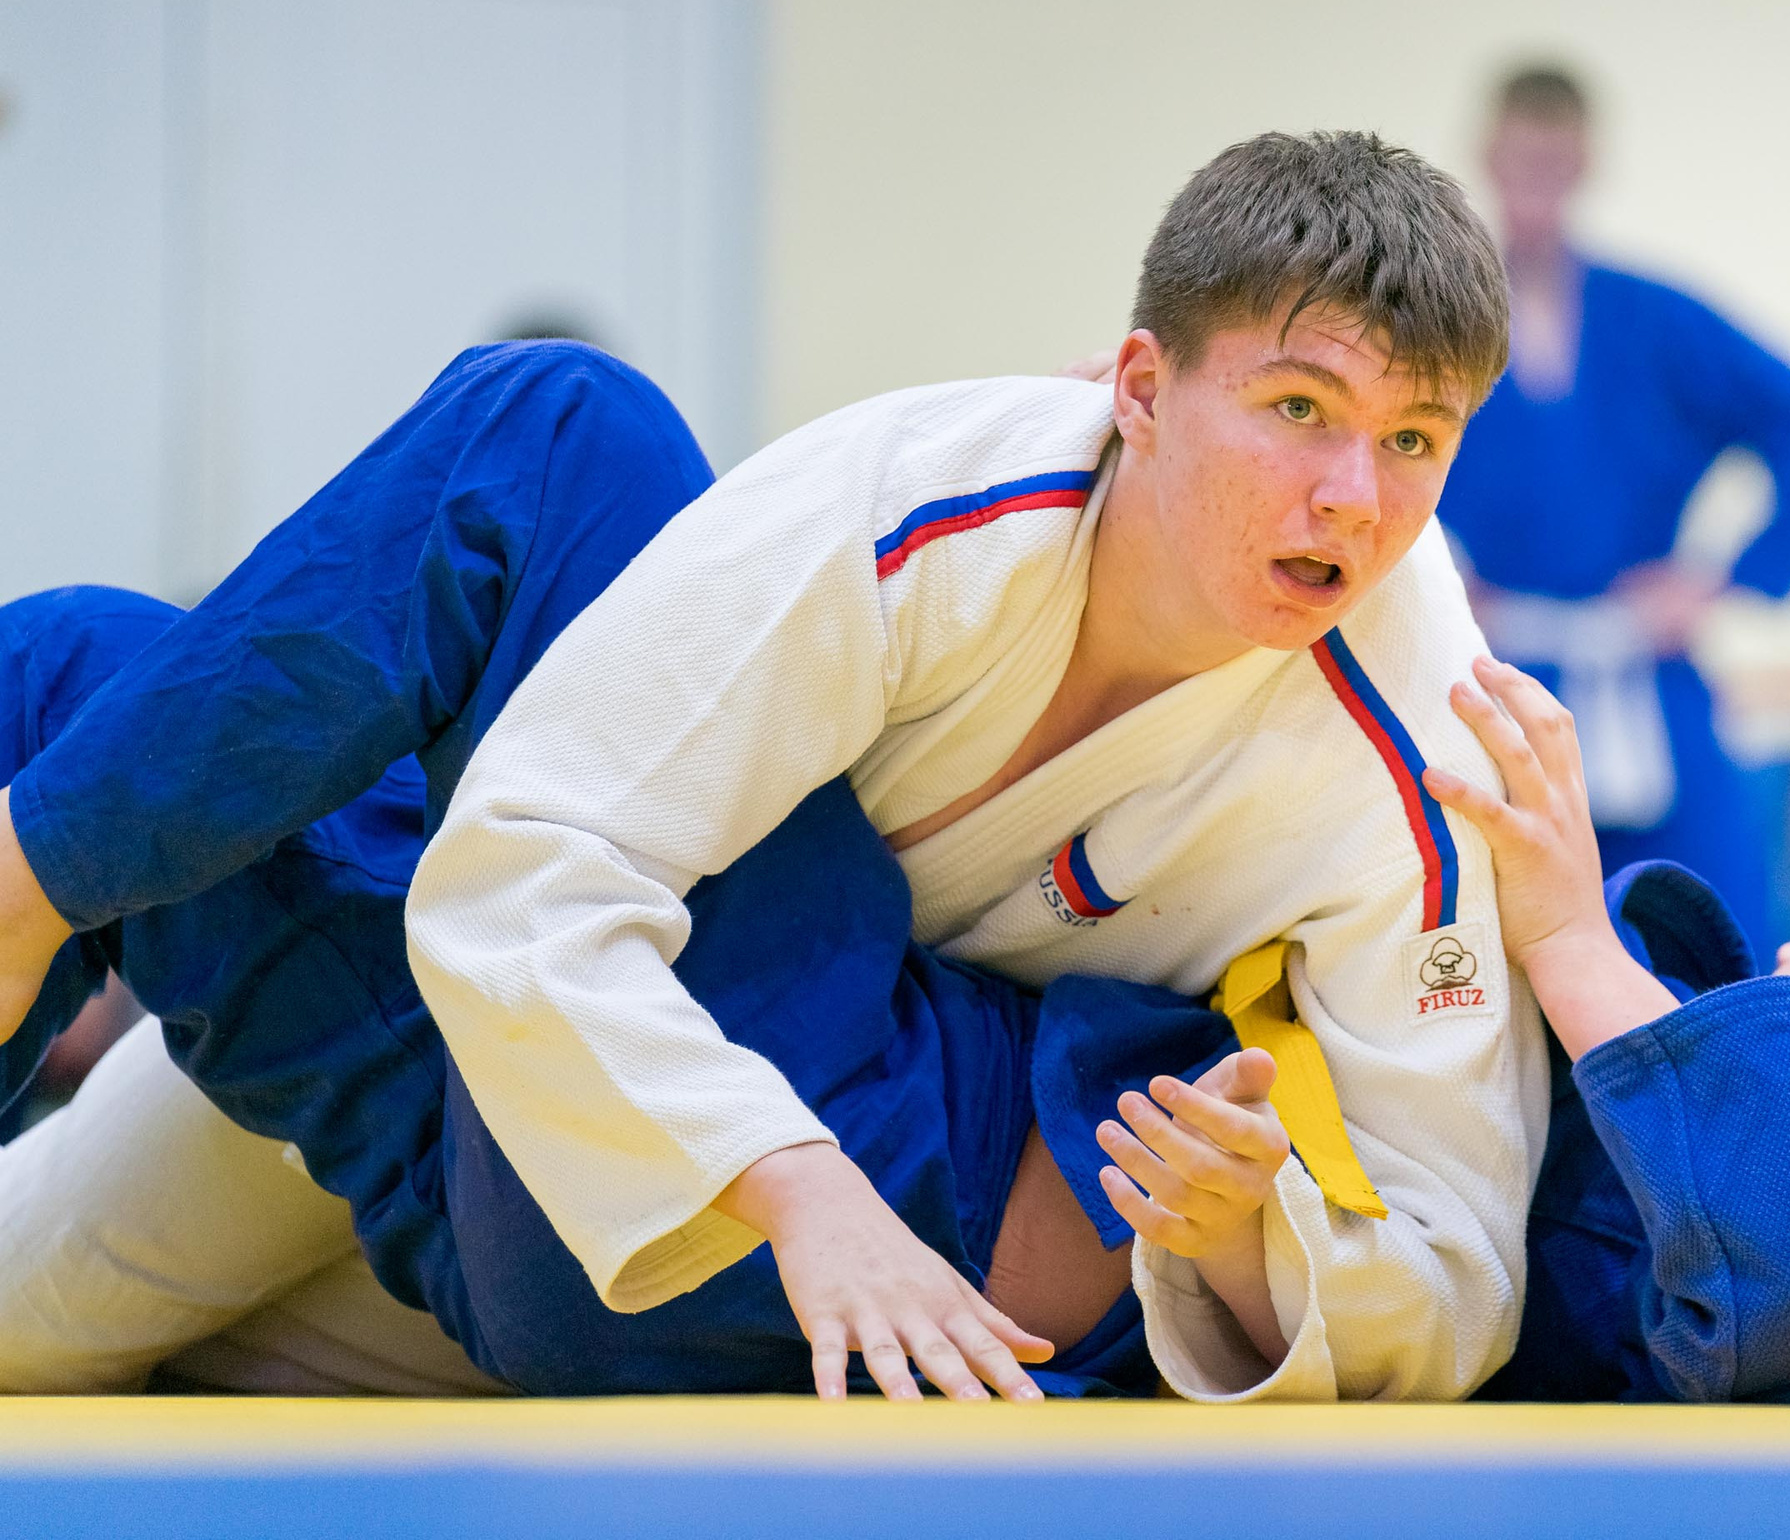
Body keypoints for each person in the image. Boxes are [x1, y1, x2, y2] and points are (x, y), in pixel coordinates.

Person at [0, 131, 1546, 1405]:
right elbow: (517, 882)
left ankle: (26, 889)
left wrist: (1247, 1252)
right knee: (87, 662)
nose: (1352, 496)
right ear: (1137, 389)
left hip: (741, 1182)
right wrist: (801, 1186)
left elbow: (1460, 1261)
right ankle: (29, 886)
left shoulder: (1415, 738)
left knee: (556, 426)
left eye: (1418, 441)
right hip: (594, 1079)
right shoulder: (920, 503)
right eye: (1298, 409)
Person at [0, 579, 1790, 1403]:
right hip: (711, 1044)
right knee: (90, 673)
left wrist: (1555, 947)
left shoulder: (1789, 1252)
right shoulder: (1527, 848)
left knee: (476, 491)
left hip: (833, 1204)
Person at [1432, 65, 1790, 960]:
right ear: (1489, 158)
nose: (1537, 180)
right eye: (1521, 158)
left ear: (1584, 161)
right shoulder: (1436, 324)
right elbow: (1369, 451)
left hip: (1652, 682)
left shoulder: (1654, 318)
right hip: (1494, 676)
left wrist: (1726, 580)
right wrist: (1427, 575)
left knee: (1714, 941)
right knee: (1496, 944)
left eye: (1555, 158)